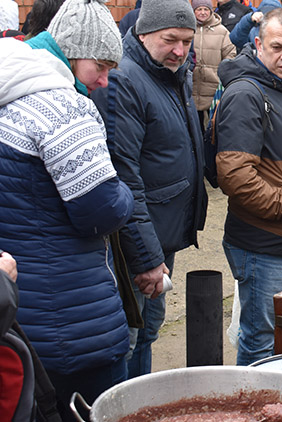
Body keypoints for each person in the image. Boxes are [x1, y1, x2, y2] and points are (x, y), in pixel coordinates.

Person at [0, 2, 135, 415]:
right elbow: (101, 211)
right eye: (101, 67)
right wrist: (122, 187)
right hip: (72, 322)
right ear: (74, 53)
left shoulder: (4, 85)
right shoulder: (63, 107)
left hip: (13, 313)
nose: (105, 82)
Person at [91, 0, 208, 379]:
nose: (179, 50)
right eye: (170, 39)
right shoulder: (124, 80)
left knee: (148, 331)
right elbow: (123, 175)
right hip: (135, 242)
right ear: (143, 35)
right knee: (129, 337)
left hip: (164, 231)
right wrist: (144, 258)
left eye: (187, 41)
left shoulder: (172, 73)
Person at [215, 7, 282, 366]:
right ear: (258, 43)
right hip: (262, 241)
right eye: (277, 47)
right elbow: (235, 175)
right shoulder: (247, 93)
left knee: (277, 337)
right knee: (260, 339)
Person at [192, 0, 236, 125]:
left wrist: (221, 73)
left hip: (213, 87)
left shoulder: (222, 31)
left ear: (211, 11)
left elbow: (230, 54)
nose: (202, 13)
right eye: (199, 9)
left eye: (206, 9)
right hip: (192, 87)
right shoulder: (188, 29)